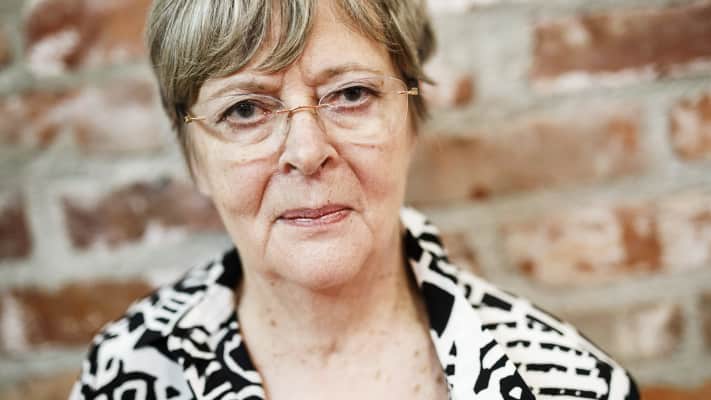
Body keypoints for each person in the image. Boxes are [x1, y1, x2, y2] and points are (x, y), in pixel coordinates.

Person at [70, 0, 640, 399]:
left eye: (350, 93)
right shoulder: (126, 371)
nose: (307, 151)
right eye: (245, 109)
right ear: (194, 157)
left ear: (411, 120)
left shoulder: (568, 385)